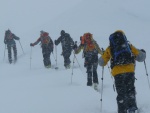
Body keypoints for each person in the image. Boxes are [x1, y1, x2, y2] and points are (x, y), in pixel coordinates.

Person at [98, 30, 146, 113]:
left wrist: (103, 55)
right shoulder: (128, 46)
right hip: (129, 71)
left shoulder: (110, 48)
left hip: (118, 74)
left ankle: (122, 110)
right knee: (130, 90)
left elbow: (102, 62)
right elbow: (141, 58)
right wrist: (143, 52)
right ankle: (132, 109)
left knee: (121, 93)